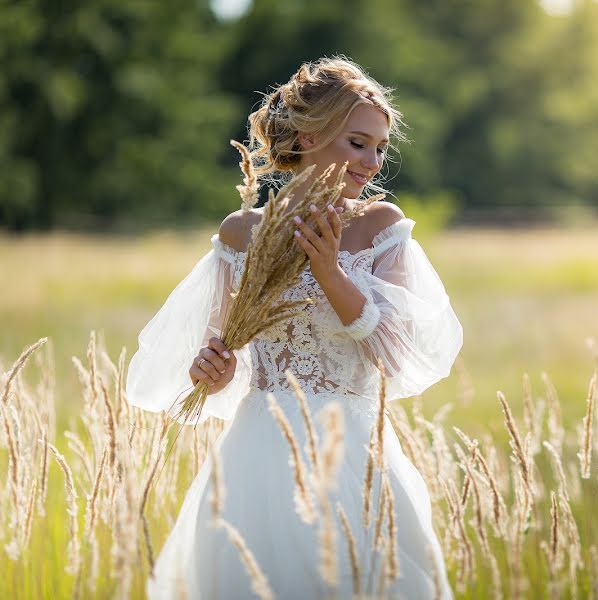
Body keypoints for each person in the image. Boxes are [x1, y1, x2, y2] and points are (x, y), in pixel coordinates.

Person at [125, 56, 463, 599]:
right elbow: (220, 357)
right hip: (259, 453)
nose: (372, 162)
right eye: (358, 143)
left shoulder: (381, 228)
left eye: (379, 147)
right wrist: (211, 368)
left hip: (352, 452)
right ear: (308, 135)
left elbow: (395, 356)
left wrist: (330, 271)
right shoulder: (241, 235)